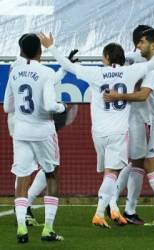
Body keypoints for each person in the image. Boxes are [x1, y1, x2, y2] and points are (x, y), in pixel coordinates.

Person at [38, 32, 154, 228]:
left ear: (106, 57)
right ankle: (99, 213)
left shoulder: (95, 73)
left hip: (98, 133)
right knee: (111, 174)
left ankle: (107, 210)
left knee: (108, 173)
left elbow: (67, 65)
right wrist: (145, 52)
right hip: (119, 132)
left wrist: (51, 47)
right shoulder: (131, 72)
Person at [104, 29, 154, 225]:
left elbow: (142, 94)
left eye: (142, 42)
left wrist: (117, 95)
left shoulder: (153, 69)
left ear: (153, 46)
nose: (139, 46)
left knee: (146, 165)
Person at [3, 33, 65, 243]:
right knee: (51, 174)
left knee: (22, 177)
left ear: (21, 51)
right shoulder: (46, 72)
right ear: (40, 51)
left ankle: (21, 227)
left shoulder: (14, 72)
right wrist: (61, 106)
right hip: (43, 131)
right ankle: (48, 229)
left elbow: (7, 107)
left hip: (21, 131)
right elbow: (49, 105)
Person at [108, 25, 152, 225]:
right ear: (139, 41)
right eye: (147, 38)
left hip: (128, 117)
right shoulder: (142, 60)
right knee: (137, 163)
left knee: (132, 162)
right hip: (137, 116)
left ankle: (115, 203)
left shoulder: (127, 60)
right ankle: (126, 208)